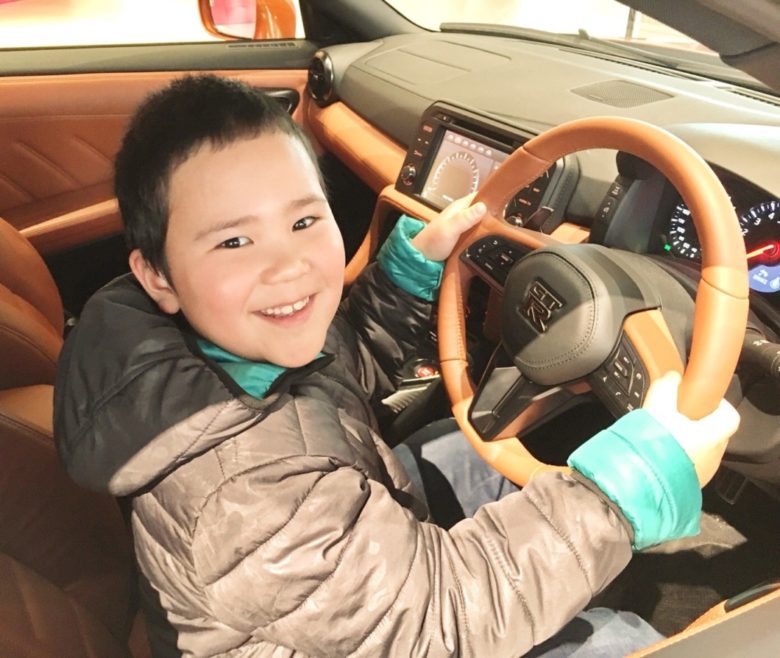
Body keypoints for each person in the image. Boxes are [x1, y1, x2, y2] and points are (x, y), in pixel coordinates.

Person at [54, 74, 739, 658]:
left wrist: (411, 268)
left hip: (342, 533)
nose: (289, 266)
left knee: (485, 446)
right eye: (234, 241)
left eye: (303, 222)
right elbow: (441, 619)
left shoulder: (199, 348)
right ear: (158, 275)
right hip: (392, 618)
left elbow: (336, 367)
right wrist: (629, 485)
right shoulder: (240, 503)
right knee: (621, 638)